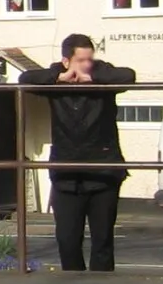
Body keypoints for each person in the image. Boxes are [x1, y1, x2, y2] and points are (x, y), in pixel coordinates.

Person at [19, 34, 136, 272]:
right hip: (66, 174)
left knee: (102, 240)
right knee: (67, 240)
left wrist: (92, 78)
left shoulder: (102, 74)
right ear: (66, 61)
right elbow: (25, 78)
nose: (86, 64)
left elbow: (128, 76)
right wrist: (59, 78)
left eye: (89, 59)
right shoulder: (55, 78)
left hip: (103, 171)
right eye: (80, 60)